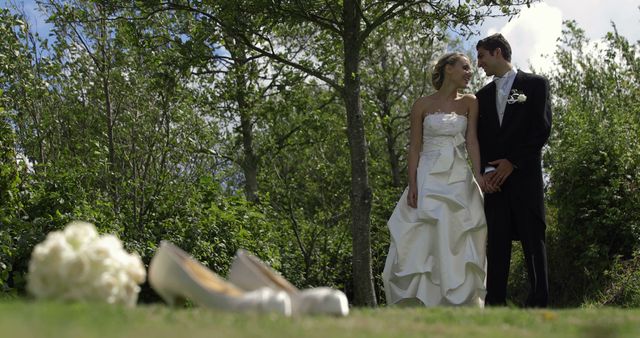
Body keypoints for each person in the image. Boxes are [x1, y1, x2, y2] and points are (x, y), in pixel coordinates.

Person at [382, 52, 488, 307]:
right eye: (464, 67)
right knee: (424, 236)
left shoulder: (470, 102)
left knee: (457, 235)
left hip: (459, 178)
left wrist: (479, 176)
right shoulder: (422, 104)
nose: (469, 72)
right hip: (428, 176)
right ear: (448, 68)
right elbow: (415, 147)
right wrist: (413, 184)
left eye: (470, 69)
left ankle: (459, 303)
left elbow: (472, 141)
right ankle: (422, 302)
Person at [475, 33, 552, 308]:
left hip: (525, 178)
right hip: (495, 183)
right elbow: (479, 138)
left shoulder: (536, 84)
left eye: (482, 56)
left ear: (497, 53)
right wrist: (486, 173)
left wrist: (513, 162)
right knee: (496, 246)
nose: (479, 64)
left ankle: (538, 301)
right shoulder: (480, 96)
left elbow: (541, 130)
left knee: (534, 242)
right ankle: (495, 304)